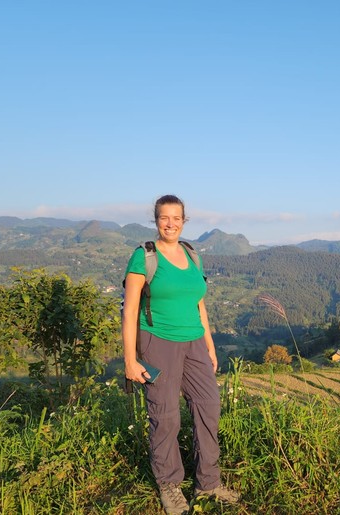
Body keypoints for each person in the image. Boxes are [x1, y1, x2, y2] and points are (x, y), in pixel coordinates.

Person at [122, 194, 239, 515]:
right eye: (164, 218)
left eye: (176, 218)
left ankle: (209, 483)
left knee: (209, 407)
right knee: (165, 415)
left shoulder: (192, 255)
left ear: (184, 221)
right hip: (157, 341)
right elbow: (130, 310)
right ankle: (170, 485)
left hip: (195, 342)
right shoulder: (144, 256)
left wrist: (210, 346)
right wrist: (130, 360)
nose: (170, 223)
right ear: (156, 221)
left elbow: (199, 304)